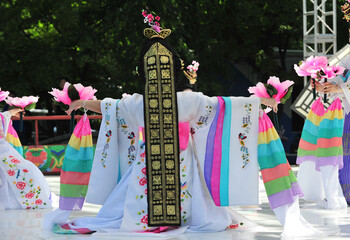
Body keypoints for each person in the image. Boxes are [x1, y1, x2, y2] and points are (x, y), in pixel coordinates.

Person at [46, 19, 320, 238]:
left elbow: (108, 106)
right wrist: (264, 101)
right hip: (182, 160)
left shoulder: (137, 102)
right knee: (194, 198)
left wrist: (82, 102)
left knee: (130, 200)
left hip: (147, 162)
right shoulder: (187, 99)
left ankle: (145, 219)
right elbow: (227, 105)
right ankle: (179, 217)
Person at [307, 55, 350, 206]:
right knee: (344, 155)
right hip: (347, 112)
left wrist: (338, 88)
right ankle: (345, 195)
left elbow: (340, 86)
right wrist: (324, 86)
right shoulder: (348, 59)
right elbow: (338, 79)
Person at [0, 108, 52, 210]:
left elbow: (3, 116)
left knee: (22, 170)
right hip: (3, 150)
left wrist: (11, 112)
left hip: (3, 149)